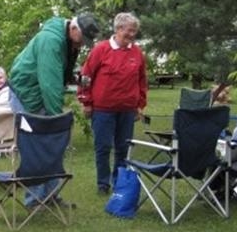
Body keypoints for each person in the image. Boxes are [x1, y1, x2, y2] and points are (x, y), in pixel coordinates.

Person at [9, 13, 100, 207]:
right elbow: (49, 84)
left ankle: (50, 196)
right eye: (82, 39)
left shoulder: (67, 40)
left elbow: (58, 75)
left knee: (51, 145)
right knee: (36, 147)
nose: (82, 44)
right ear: (73, 29)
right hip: (27, 94)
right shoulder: (51, 40)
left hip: (38, 90)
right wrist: (56, 119)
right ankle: (34, 200)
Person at [77, 12, 148, 195]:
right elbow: (86, 77)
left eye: (134, 31)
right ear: (118, 29)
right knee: (103, 147)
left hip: (127, 109)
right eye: (129, 31)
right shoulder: (101, 50)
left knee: (123, 148)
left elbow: (142, 80)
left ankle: (119, 182)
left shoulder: (137, 52)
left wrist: (140, 104)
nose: (132, 35)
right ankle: (103, 183)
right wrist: (86, 101)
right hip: (103, 110)